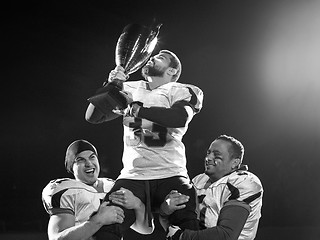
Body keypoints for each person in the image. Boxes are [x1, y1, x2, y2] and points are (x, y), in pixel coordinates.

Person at [85, 50, 204, 239]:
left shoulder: (182, 90)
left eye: (160, 58)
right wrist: (111, 85)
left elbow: (179, 117)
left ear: (172, 70)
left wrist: (137, 109)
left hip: (171, 174)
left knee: (187, 228)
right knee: (105, 226)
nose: (152, 58)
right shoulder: (129, 87)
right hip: (133, 176)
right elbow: (93, 116)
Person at [42, 139, 153, 240]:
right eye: (80, 160)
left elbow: (146, 229)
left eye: (92, 157)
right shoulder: (66, 191)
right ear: (71, 167)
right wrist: (98, 220)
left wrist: (137, 204)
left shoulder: (112, 186)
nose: (88, 163)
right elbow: (57, 238)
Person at [162, 134, 263, 240]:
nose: (208, 158)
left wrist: (182, 236)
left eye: (217, 155)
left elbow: (226, 236)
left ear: (235, 162)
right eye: (208, 153)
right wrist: (165, 210)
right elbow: (171, 229)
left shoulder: (243, 182)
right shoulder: (199, 180)